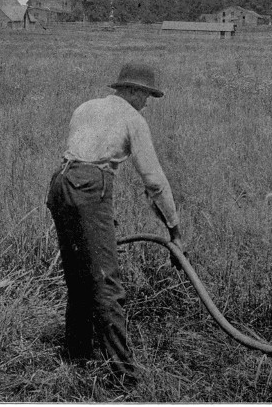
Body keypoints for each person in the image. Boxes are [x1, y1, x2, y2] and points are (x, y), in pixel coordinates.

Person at [46, 62, 183, 386]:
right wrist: (174, 229)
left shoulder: (86, 107)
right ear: (133, 91)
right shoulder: (133, 119)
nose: (147, 102)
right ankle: (124, 378)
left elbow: (80, 158)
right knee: (108, 286)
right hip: (90, 189)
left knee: (80, 279)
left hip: (60, 186)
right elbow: (154, 181)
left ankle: (77, 355)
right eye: (147, 95)